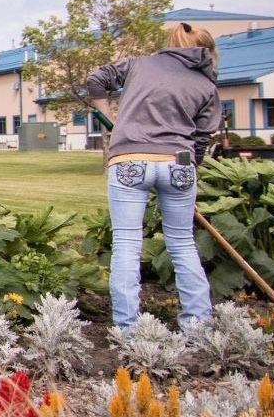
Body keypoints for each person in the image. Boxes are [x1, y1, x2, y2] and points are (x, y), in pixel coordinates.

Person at [83, 23, 220, 329]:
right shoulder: (206, 85)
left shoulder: (138, 65)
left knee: (127, 244)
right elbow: (202, 137)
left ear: (172, 41)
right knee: (183, 243)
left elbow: (95, 80)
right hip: (179, 161)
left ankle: (127, 329)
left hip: (130, 158)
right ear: (208, 52)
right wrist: (189, 175)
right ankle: (197, 326)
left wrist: (112, 122)